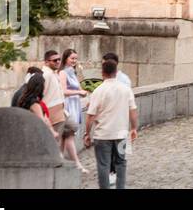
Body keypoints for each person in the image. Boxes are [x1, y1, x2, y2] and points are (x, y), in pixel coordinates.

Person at [83, 57, 137, 189]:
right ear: (116, 71)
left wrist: (87, 133)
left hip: (103, 134)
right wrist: (134, 128)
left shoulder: (98, 91)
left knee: (103, 165)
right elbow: (133, 111)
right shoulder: (126, 89)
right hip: (123, 133)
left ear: (102, 73)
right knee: (121, 163)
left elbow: (90, 116)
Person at [58, 48, 88, 172]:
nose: (74, 61)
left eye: (76, 58)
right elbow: (63, 91)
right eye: (72, 58)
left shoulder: (73, 72)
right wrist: (78, 92)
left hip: (75, 104)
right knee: (68, 134)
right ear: (66, 59)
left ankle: (60, 159)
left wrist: (83, 93)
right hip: (68, 105)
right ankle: (75, 163)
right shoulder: (63, 73)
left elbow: (79, 88)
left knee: (66, 136)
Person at [15, 72, 57, 139]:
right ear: (41, 87)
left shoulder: (23, 99)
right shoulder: (34, 104)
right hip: (33, 134)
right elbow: (42, 121)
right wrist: (52, 132)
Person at [40, 49, 67, 140]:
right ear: (47, 62)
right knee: (54, 141)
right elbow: (41, 95)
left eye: (59, 59)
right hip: (51, 112)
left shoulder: (53, 73)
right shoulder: (46, 75)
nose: (58, 62)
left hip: (59, 111)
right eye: (55, 60)